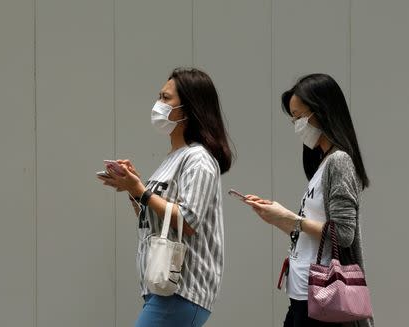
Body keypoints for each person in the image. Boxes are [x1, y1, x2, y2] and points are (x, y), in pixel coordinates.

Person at [98, 67, 234, 327]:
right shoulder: (173, 158)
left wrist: (142, 191)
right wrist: (133, 190)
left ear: (188, 108)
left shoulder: (199, 159)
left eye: (166, 98)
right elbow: (154, 220)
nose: (158, 104)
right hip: (163, 287)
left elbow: (189, 221)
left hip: (183, 290)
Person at [244, 74, 373, 327]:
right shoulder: (323, 165)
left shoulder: (339, 161)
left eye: (299, 116)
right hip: (303, 294)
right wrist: (275, 216)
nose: (296, 124)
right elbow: (311, 232)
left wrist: (293, 218)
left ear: (322, 112)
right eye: (293, 118)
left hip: (322, 298)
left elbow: (343, 233)